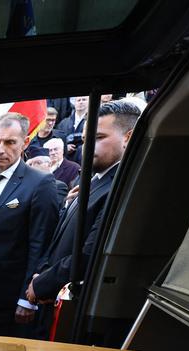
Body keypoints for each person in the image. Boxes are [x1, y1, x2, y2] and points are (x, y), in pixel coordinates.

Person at [27, 100, 143, 320]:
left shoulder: (120, 188)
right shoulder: (91, 181)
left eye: (98, 138)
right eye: (85, 139)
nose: (87, 146)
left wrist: (43, 283)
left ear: (128, 137)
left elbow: (91, 254)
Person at [0, 112, 58, 336]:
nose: (0, 149)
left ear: (24, 142)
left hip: (12, 301)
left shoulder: (40, 184)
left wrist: (27, 299)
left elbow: (41, 244)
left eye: (9, 142)